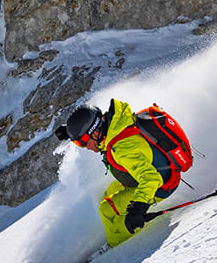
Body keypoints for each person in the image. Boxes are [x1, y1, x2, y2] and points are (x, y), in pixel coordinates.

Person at [55, 99, 180, 246]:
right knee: (107, 195)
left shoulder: (122, 148)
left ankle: (118, 245)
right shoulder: (114, 126)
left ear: (95, 133)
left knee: (107, 210)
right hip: (152, 173)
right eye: (78, 143)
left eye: (82, 142)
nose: (84, 147)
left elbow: (151, 178)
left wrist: (138, 208)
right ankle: (120, 228)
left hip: (161, 185)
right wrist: (71, 132)